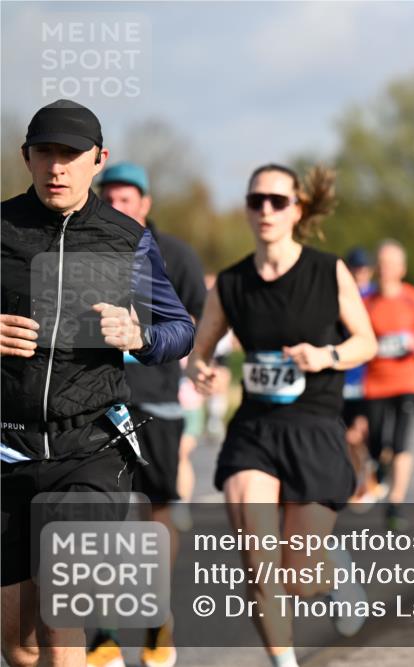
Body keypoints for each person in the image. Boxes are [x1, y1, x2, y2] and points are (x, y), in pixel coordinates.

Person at [1, 99, 195, 667]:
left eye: (70, 155)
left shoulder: (126, 238)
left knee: (63, 615)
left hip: (90, 448)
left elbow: (179, 329)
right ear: (26, 158)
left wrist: (138, 337)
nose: (56, 167)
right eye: (45, 154)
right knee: (18, 645)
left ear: (98, 160)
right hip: (10, 447)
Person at [186, 163, 376, 663]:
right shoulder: (231, 283)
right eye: (256, 201)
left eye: (277, 200)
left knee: (298, 578)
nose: (266, 210)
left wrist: (327, 356)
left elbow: (366, 342)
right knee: (259, 565)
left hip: (314, 425)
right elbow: (201, 352)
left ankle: (334, 575)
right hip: (255, 429)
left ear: (297, 209)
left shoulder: (326, 271)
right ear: (247, 209)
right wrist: (200, 371)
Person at [86, 162, 206, 667]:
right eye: (108, 199)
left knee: (153, 518)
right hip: (95, 403)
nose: (117, 208)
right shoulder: (81, 253)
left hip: (155, 401)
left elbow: (194, 320)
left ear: (145, 204)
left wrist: (150, 337)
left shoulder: (173, 255)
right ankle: (104, 631)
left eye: (126, 200)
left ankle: (157, 615)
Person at [362, 240, 414, 529]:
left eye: (391, 264)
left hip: (407, 381)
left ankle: (396, 504)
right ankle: (379, 465)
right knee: (378, 444)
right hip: (376, 383)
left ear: (402, 268)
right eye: (381, 263)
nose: (385, 269)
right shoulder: (366, 303)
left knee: (400, 444)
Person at [341, 248, 378, 505]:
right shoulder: (341, 296)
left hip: (372, 376)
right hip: (346, 375)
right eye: (356, 269)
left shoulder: (376, 296)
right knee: (350, 435)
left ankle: (370, 473)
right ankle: (361, 477)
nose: (360, 273)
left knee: (365, 434)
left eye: (364, 269)